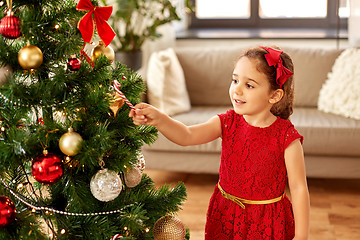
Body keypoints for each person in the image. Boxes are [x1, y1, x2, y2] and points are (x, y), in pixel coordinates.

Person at [129, 46, 310, 240]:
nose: (237, 90)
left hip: (266, 223)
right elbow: (187, 135)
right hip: (226, 216)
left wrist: (301, 237)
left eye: (249, 85)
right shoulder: (227, 122)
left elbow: (299, 189)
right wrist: (160, 119)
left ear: (274, 96)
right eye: (235, 80)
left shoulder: (286, 138)